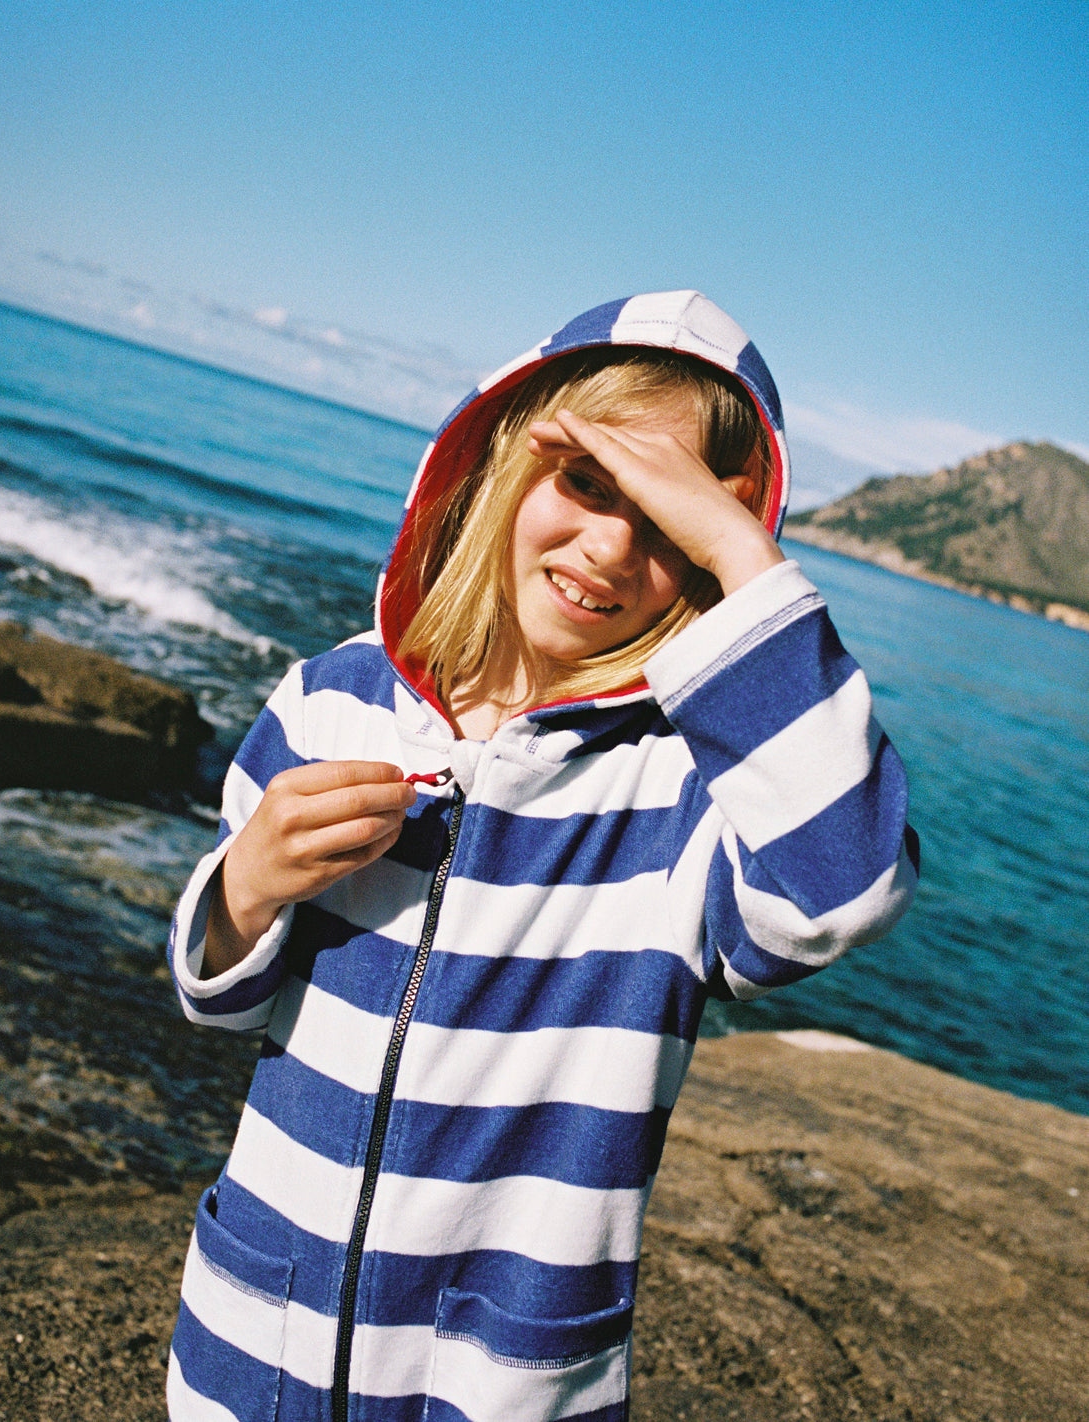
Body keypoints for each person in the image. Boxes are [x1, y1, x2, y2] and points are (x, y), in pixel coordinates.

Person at [166, 291, 918, 1422]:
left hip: (501, 1384)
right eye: (588, 481)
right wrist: (245, 887)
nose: (613, 547)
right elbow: (213, 994)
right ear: (499, 459)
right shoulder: (330, 696)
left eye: (671, 523)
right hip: (244, 1346)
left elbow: (846, 888)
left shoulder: (694, 789)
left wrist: (742, 557)